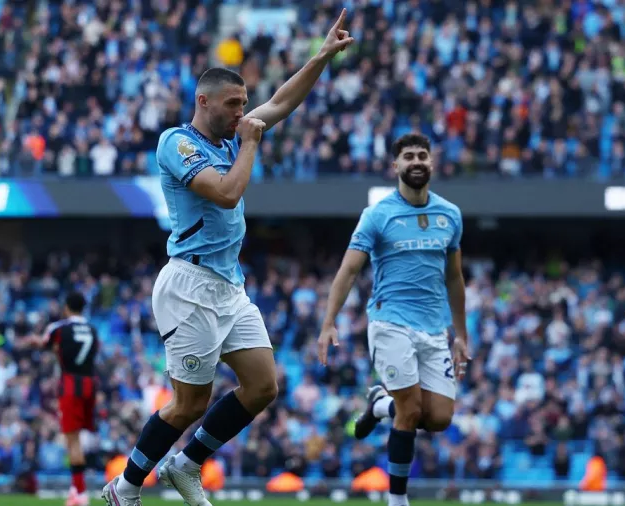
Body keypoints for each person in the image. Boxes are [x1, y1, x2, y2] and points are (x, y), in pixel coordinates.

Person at [101, 10, 354, 506]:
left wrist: (320, 57)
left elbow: (282, 101)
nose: (242, 112)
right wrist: (252, 144)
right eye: (233, 104)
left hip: (228, 286)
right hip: (187, 286)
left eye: (243, 103)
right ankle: (125, 487)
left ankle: (187, 464)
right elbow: (225, 193)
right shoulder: (177, 142)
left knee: (263, 386)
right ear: (204, 101)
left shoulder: (234, 135)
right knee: (189, 402)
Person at [318, 133, 470, 506]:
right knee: (411, 409)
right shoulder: (378, 215)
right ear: (395, 166)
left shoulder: (449, 214)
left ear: (432, 163)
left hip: (435, 329)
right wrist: (328, 322)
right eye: (408, 156)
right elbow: (349, 270)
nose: (416, 161)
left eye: (423, 155)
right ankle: (397, 499)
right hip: (391, 323)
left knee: (439, 419)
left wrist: (461, 334)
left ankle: (377, 405)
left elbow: (455, 277)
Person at [30, 292, 100, 506]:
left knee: (72, 440)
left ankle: (79, 493)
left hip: (70, 384)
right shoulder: (92, 329)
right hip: (90, 384)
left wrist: (32, 341)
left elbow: (44, 344)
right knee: (81, 435)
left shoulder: (59, 328)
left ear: (66, 307)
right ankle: (75, 488)